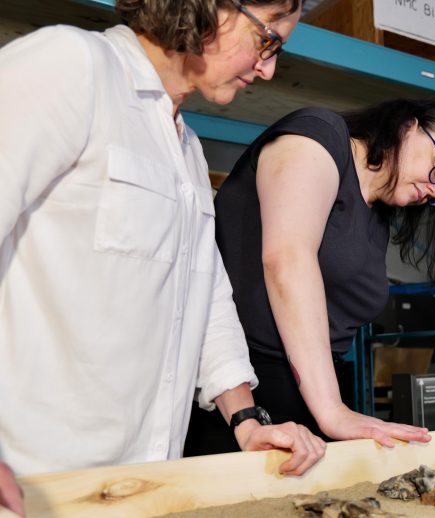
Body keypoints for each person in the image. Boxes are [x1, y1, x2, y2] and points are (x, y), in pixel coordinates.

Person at [0, 0, 325, 510]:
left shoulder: (186, 148)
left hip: (144, 479)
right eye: (268, 40)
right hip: (33, 480)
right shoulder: (73, 66)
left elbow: (206, 296)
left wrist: (245, 420)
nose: (268, 68)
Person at [184, 99, 435, 454]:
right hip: (241, 388)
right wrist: (331, 411)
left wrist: (330, 408)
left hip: (312, 395)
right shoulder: (319, 134)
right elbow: (287, 259)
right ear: (408, 127)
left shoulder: (377, 216)